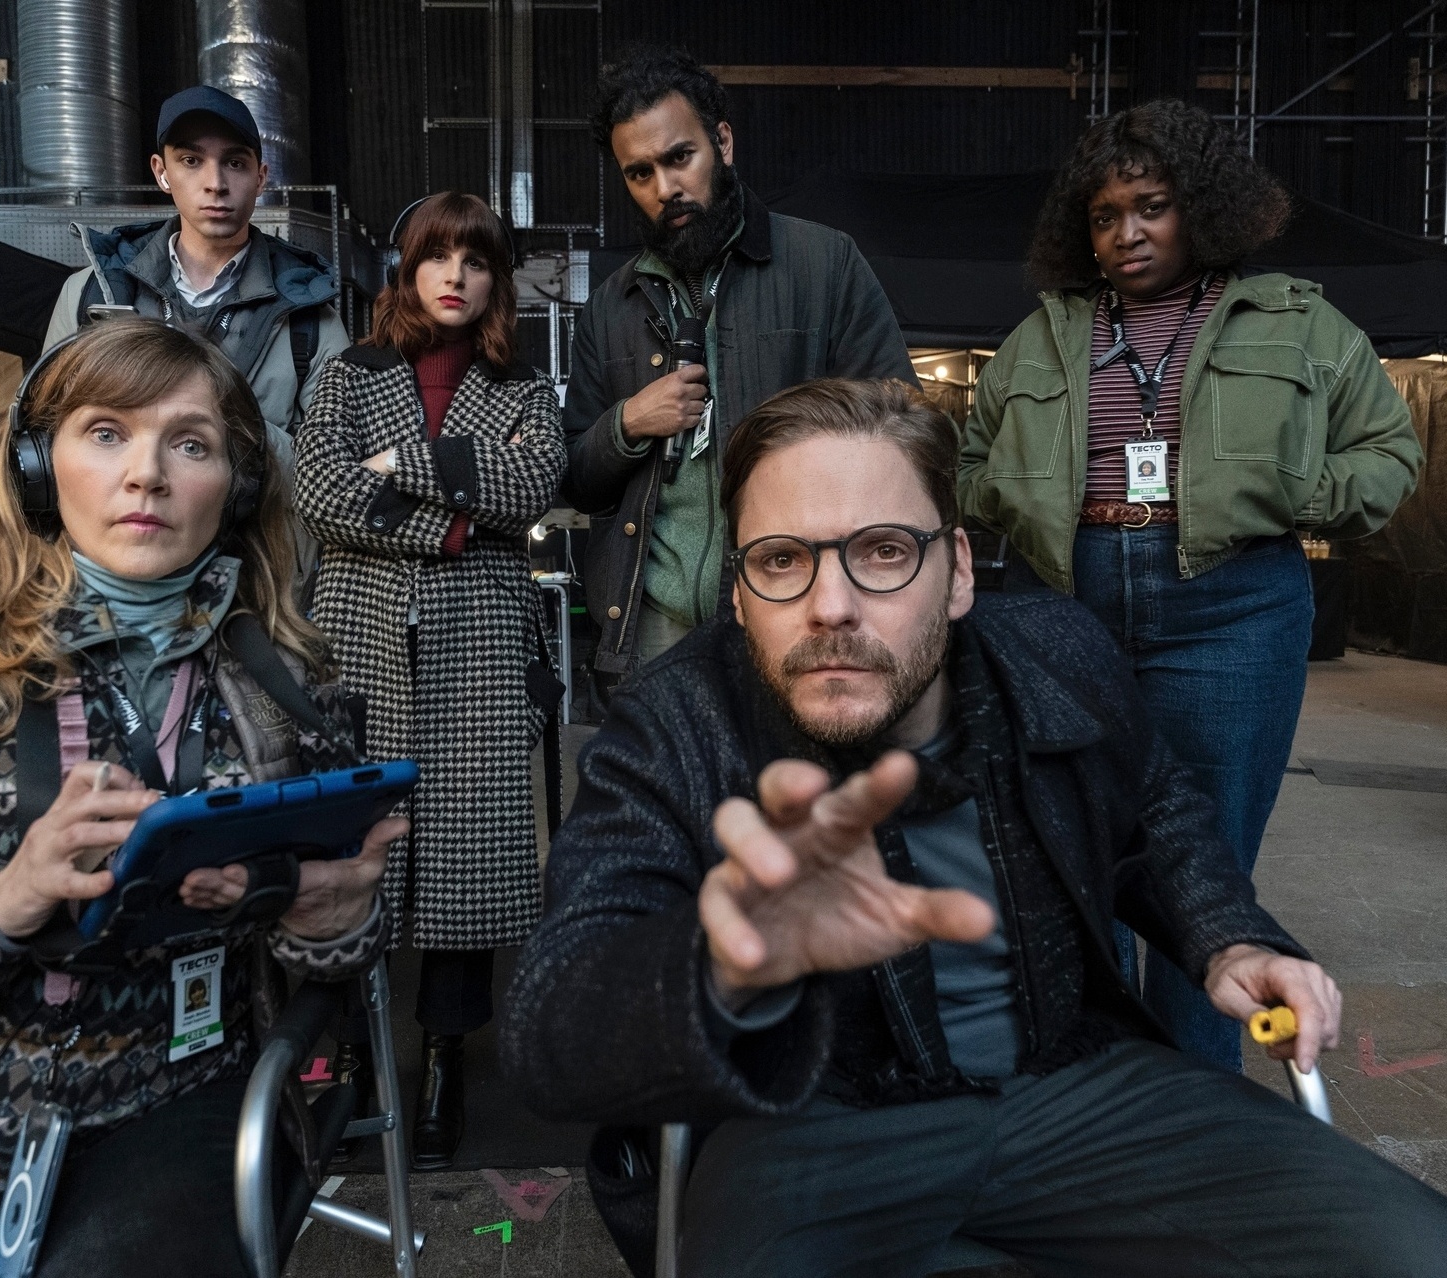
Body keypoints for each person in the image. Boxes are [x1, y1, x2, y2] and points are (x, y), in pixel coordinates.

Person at [503, 377, 1447, 1277]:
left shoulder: (1058, 653)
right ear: (740, 592)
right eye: (782, 559)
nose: (831, 607)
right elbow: (554, 1025)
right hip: (806, 1116)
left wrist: (1227, 934)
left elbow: (1154, 806)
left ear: (957, 571)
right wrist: (718, 965)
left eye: (882, 551)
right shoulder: (674, 725)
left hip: (1075, 1083)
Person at [0, 319, 398, 1277]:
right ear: (39, 469)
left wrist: (329, 918)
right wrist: (0, 901)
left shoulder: (292, 683)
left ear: (238, 485)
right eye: (105, 433)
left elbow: (337, 952)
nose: (147, 476)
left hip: (171, 1098)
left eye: (190, 444)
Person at [959, 99, 1422, 1072]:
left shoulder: (1297, 323)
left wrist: (1295, 492)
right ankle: (1093, 1082)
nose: (1126, 233)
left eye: (1152, 206)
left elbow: (1389, 452)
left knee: (1206, 869)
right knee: (1074, 853)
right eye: (1104, 216)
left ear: (1202, 208)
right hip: (1064, 603)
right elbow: (967, 461)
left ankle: (1196, 1103)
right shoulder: (1042, 337)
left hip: (1232, 607)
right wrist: (1007, 494)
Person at [296, 191, 566, 1169]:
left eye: (477, 260)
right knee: (354, 848)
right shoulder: (351, 371)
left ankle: (445, 1058)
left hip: (482, 645)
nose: (455, 275)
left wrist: (404, 460)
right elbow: (320, 490)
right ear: (406, 272)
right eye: (436, 256)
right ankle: (355, 1055)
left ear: (497, 282)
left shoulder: (522, 385)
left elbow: (534, 485)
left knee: (464, 860)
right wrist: (456, 522)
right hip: (360, 639)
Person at [562, 45, 916, 681]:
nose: (665, 188)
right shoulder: (609, 308)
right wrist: (627, 423)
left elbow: (901, 427)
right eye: (640, 173)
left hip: (793, 600)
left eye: (680, 157)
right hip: (654, 621)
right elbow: (574, 479)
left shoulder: (825, 265)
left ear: (722, 143)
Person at [42, 85, 348, 593]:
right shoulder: (90, 295)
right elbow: (44, 435)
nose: (215, 184)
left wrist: (225, 428)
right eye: (191, 161)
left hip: (258, 581)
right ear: (161, 172)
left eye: (235, 163)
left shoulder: (312, 319)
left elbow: (335, 476)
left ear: (261, 177)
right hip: (112, 580)